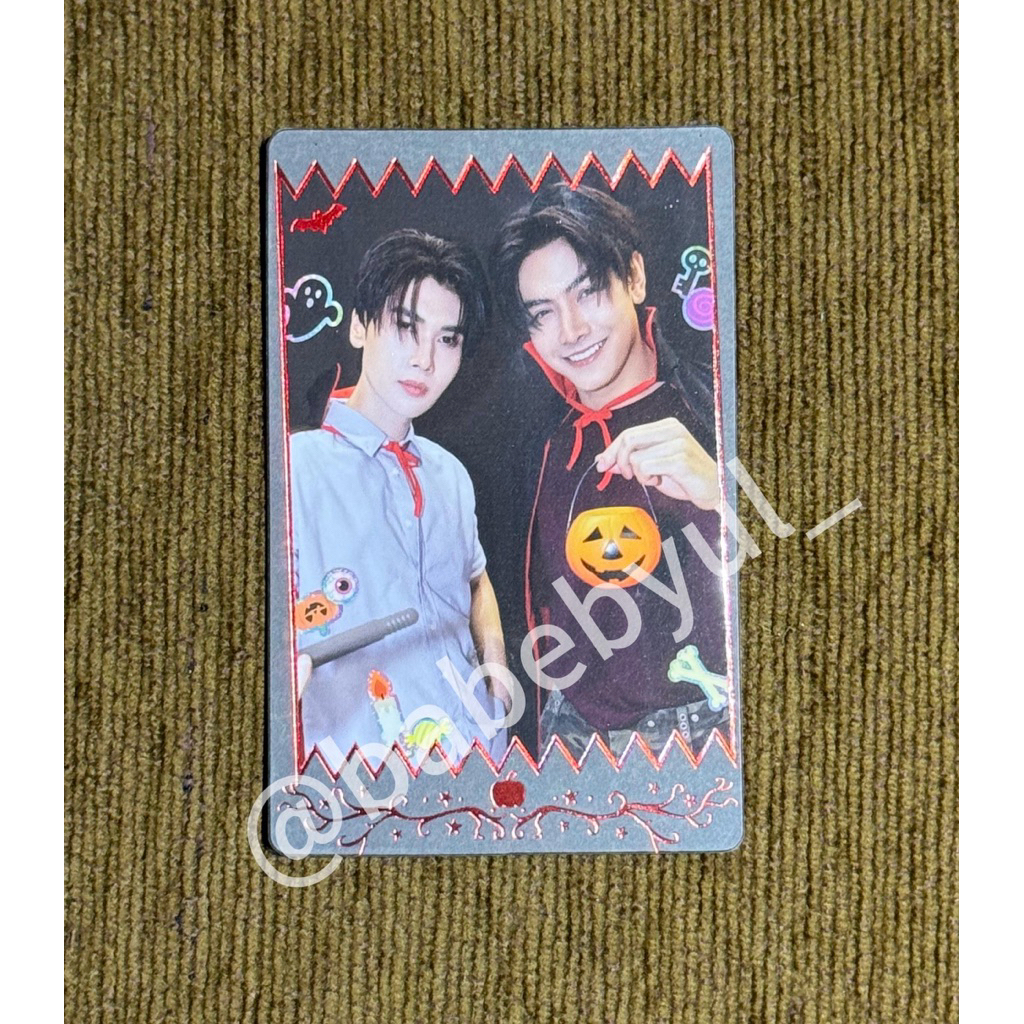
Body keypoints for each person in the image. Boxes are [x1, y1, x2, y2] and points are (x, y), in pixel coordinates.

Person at [491, 183, 731, 760]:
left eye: (589, 291)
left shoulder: (715, 406)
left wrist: (722, 496)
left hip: (699, 730)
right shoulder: (538, 443)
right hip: (566, 733)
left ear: (635, 278)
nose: (571, 330)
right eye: (543, 314)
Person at [289, 229, 510, 773]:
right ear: (359, 326)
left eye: (447, 339)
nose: (424, 359)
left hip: (475, 756)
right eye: (406, 327)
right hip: (359, 771)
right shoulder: (294, 467)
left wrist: (497, 675)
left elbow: (475, 579)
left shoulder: (449, 473)